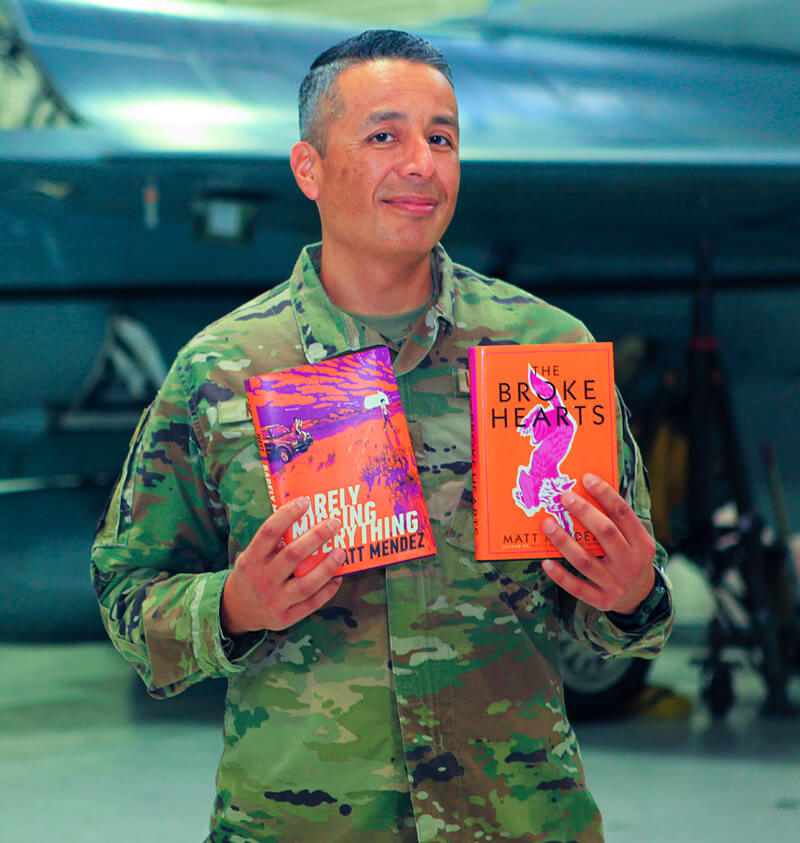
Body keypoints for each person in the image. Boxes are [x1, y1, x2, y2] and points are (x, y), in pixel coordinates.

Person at [92, 30, 673, 843]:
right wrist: (233, 604)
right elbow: (127, 595)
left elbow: (631, 611)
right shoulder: (222, 371)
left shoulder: (548, 355)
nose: (421, 164)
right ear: (309, 168)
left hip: (518, 821)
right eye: (384, 136)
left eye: (442, 138)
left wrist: (631, 592)